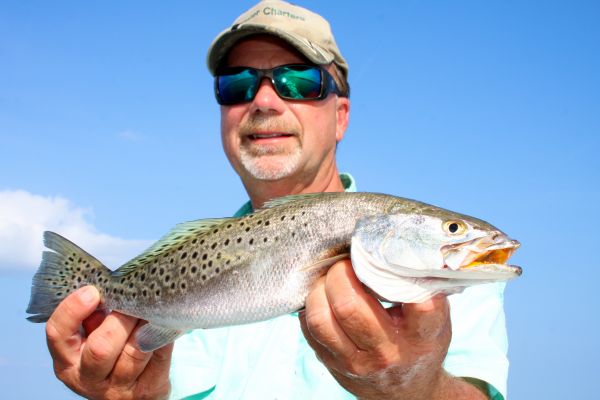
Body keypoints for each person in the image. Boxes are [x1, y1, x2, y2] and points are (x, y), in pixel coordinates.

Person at [43, 1, 509, 399]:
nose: (264, 101)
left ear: (341, 116)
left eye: (300, 81)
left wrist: (421, 389)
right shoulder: (181, 268)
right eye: (237, 84)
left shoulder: (456, 280)